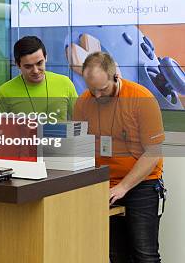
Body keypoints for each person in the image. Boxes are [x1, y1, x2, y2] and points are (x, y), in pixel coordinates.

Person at [74, 52, 165, 263]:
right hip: (104, 186)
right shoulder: (83, 102)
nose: (97, 96)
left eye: (102, 89)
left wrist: (123, 187)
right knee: (115, 255)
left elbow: (153, 152)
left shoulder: (141, 98)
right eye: (91, 89)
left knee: (145, 255)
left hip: (143, 185)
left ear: (116, 76)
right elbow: (80, 147)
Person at [0, 36, 78, 119]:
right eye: (28, 66)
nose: (35, 71)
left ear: (46, 58)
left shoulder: (65, 83)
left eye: (39, 63)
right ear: (17, 64)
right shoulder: (4, 92)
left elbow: (80, 121)